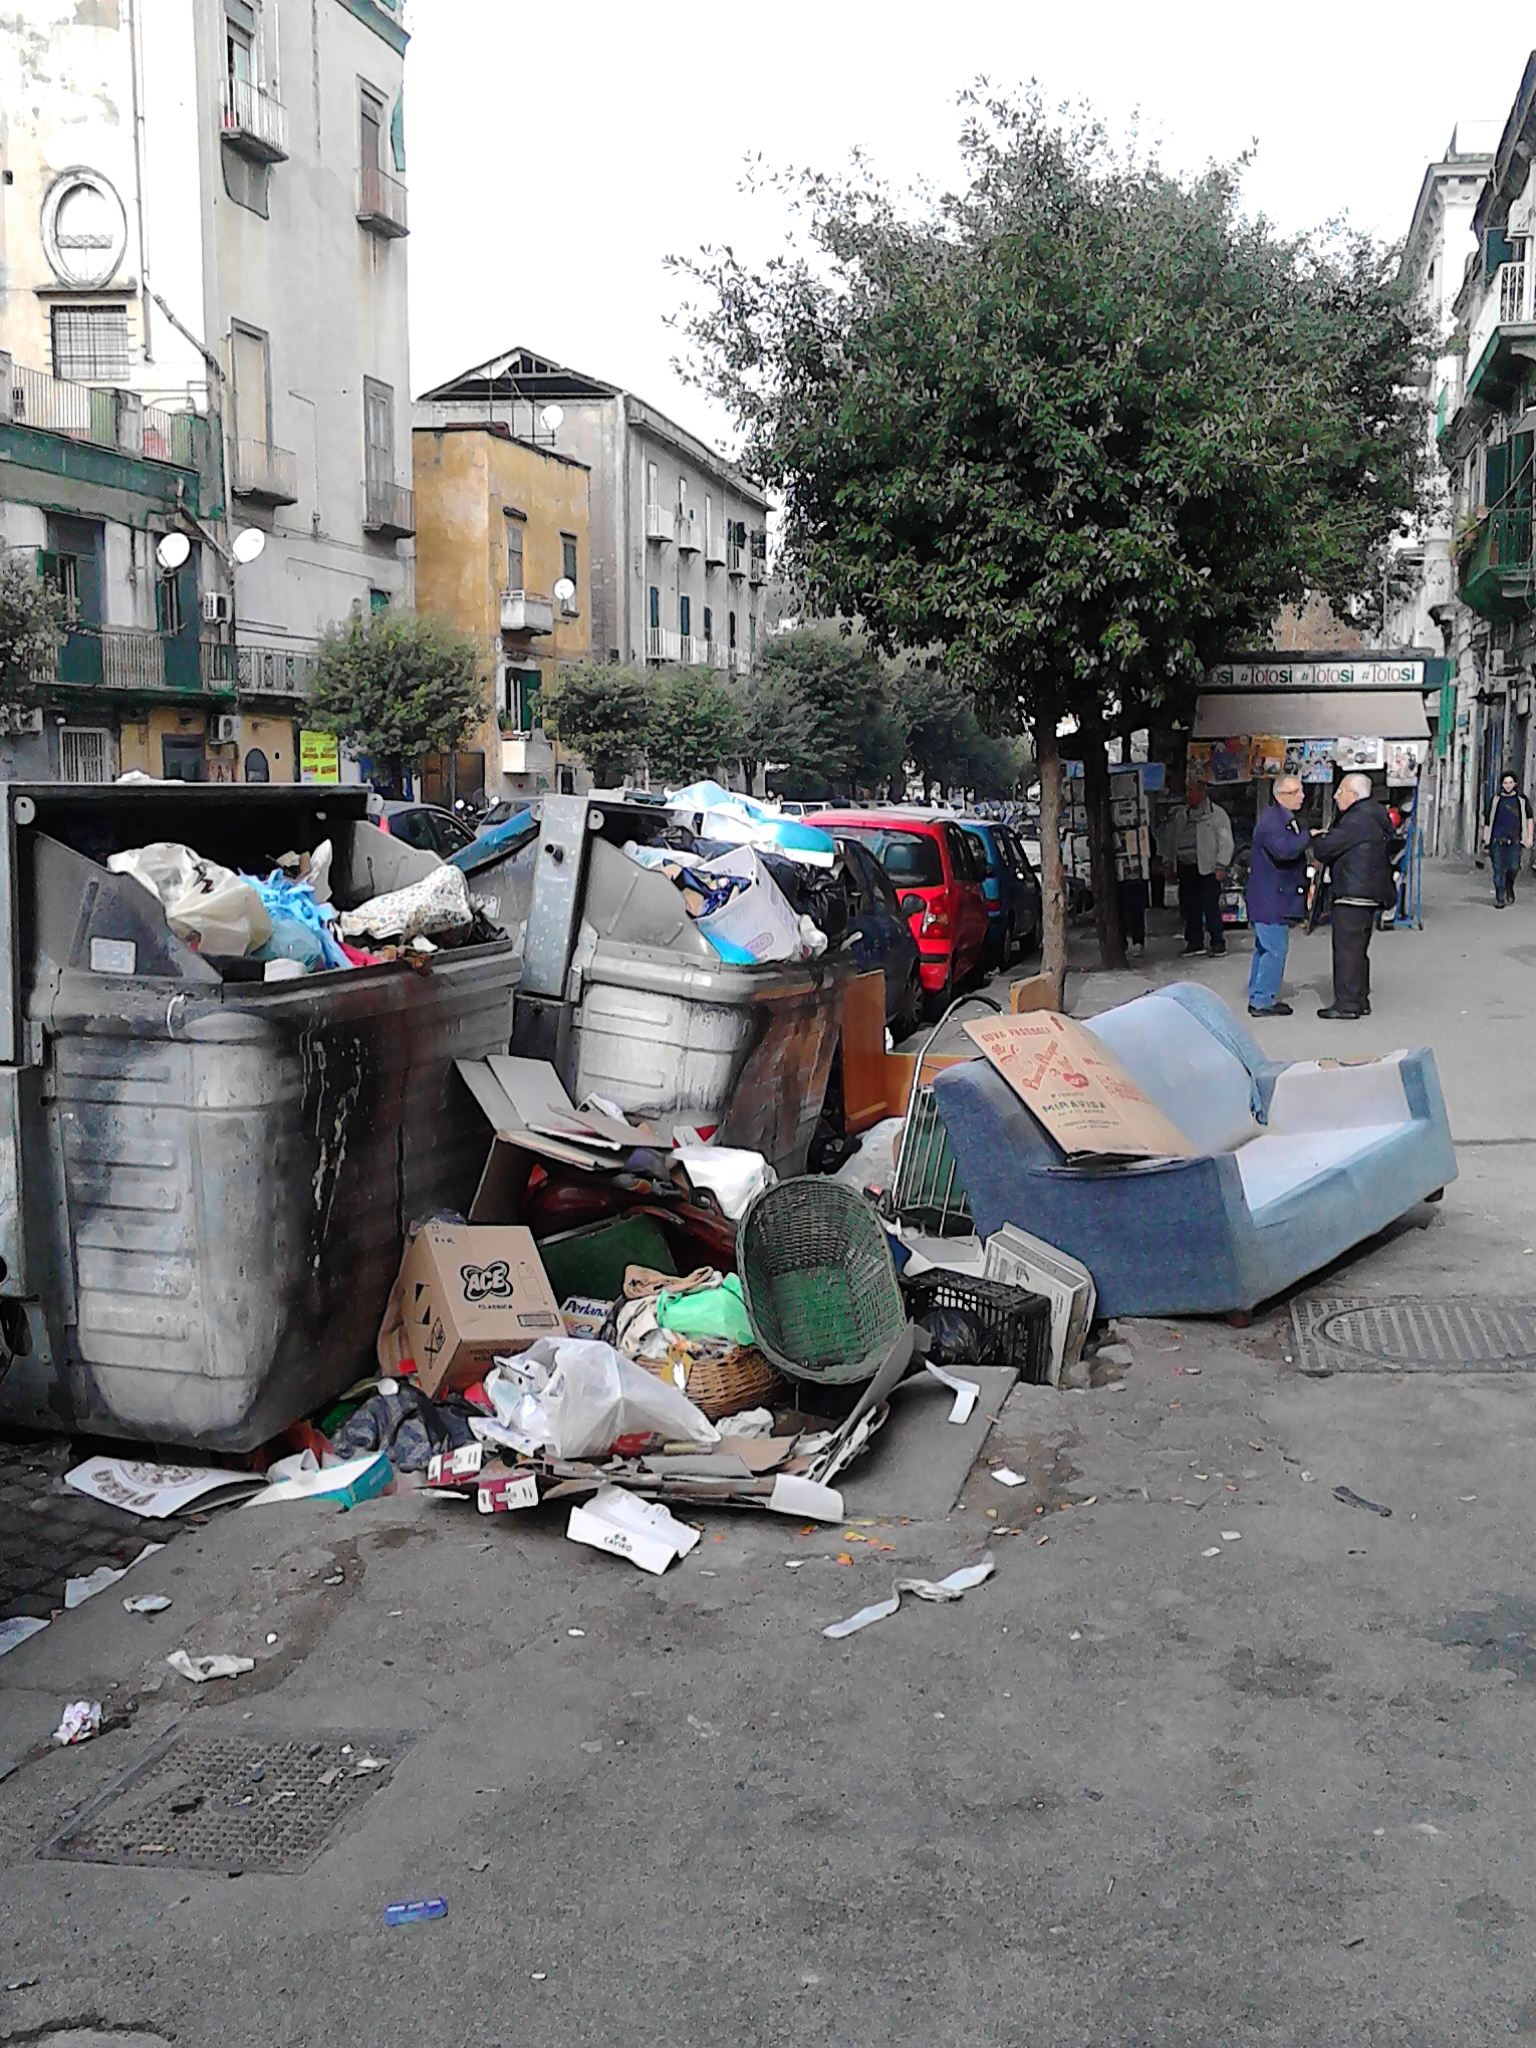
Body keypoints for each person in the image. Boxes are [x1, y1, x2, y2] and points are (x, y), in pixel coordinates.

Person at [1309, 772, 1403, 1020]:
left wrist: (1318, 837)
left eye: (1341, 791)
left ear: (1354, 794)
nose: (1336, 796)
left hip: (1353, 892)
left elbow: (1326, 848)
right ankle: (1360, 999)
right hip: (1368, 891)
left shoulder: (1356, 820)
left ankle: (1348, 1003)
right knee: (1358, 948)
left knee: (1347, 949)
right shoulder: (1373, 815)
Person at [1244, 774, 1309, 1016]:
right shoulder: (1272, 821)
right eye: (1295, 792)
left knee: (1265, 949)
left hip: (1271, 896)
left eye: (1301, 791)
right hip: (1270, 898)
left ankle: (1258, 993)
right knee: (1274, 950)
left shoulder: (1284, 818)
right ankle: (1262, 1000)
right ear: (1280, 796)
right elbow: (1284, 851)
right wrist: (1309, 837)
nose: (1301, 796)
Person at [1160, 778, 1235, 956]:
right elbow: (1171, 840)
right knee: (1189, 906)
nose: (1188, 795)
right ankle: (1195, 942)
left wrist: (1221, 864)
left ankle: (1217, 942)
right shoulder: (1181, 815)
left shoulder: (1216, 815)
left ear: (1202, 793)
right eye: (1187, 790)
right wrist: (1168, 862)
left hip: (1208, 867)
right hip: (1186, 867)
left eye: (1192, 790)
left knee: (1209, 905)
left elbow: (1226, 842)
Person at [1482, 772, 1533, 908]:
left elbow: (1529, 818)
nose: (1508, 785)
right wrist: (1486, 839)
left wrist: (1529, 837)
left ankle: (1509, 886)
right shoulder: (1496, 800)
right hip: (1497, 840)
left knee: (1513, 867)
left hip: (1515, 841)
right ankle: (1500, 898)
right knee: (1498, 871)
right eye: (1505, 783)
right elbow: (1488, 821)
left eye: (1510, 783)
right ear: (1502, 785)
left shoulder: (1521, 800)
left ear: (1515, 784)